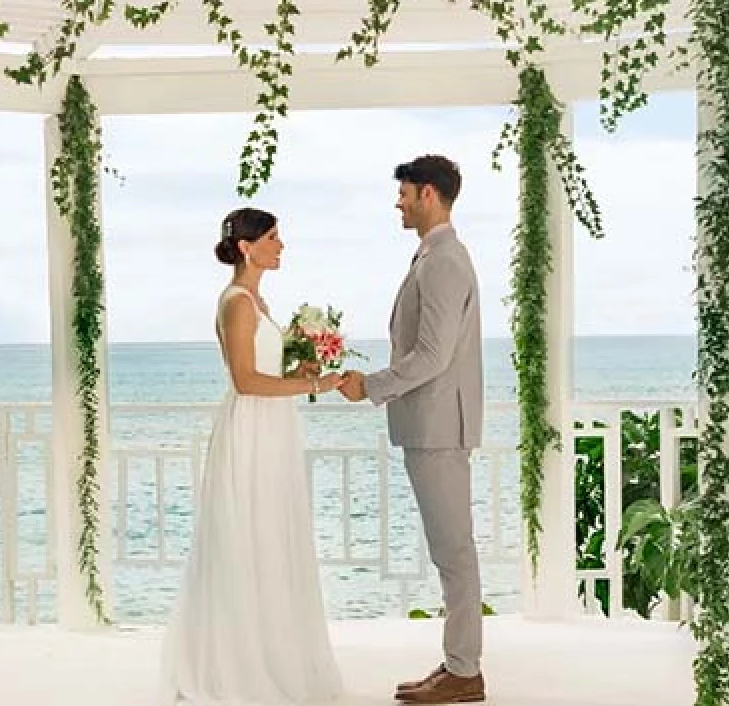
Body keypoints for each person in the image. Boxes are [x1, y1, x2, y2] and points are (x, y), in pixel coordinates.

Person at [160, 207, 346, 706]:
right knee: (248, 536)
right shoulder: (237, 303)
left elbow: (268, 368)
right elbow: (244, 380)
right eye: (273, 237)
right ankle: (238, 663)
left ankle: (274, 649)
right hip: (251, 428)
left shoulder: (260, 301)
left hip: (274, 427)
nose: (281, 245)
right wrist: (314, 383)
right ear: (247, 247)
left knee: (272, 537)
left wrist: (304, 361)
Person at [337, 155, 486, 705]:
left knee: (454, 551)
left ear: (428, 194)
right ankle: (456, 663)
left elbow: (431, 355)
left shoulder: (445, 261)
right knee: (449, 549)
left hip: (438, 427)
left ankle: (465, 672)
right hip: (431, 425)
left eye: (403, 193)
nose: (397, 203)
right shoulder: (432, 257)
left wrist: (371, 385)